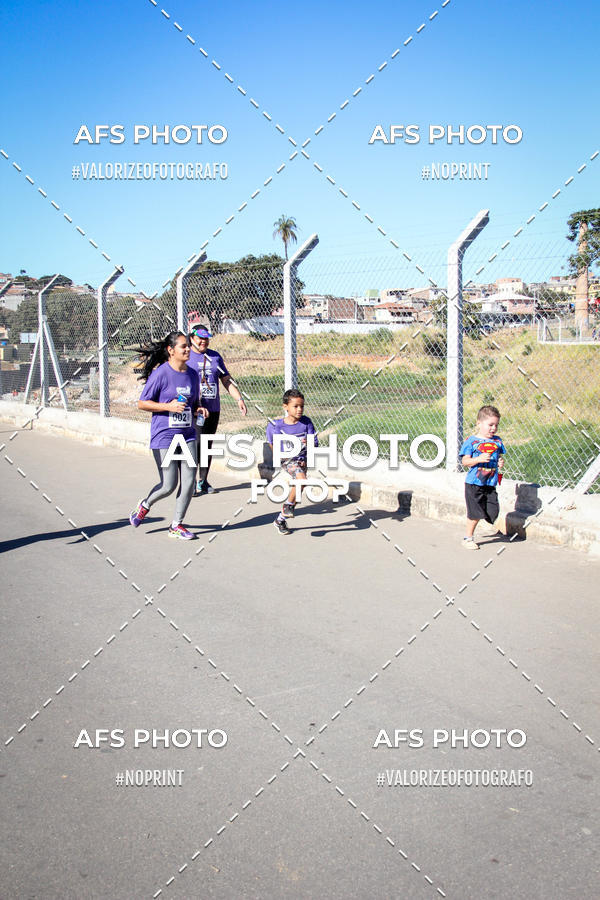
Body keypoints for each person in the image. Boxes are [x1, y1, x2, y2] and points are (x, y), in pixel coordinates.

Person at [129, 332, 208, 540]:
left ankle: (176, 525)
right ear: (171, 350)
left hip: (188, 434)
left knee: (189, 481)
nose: (188, 349)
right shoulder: (161, 374)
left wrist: (199, 409)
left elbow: (193, 402)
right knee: (168, 485)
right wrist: (168, 407)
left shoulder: (192, 374)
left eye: (188, 346)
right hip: (165, 436)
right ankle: (145, 505)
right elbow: (142, 403)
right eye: (183, 346)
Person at [188, 325, 247, 495]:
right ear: (192, 338)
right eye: (200, 338)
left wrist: (239, 398)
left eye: (206, 338)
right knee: (196, 444)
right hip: (194, 409)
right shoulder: (186, 356)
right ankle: (189, 480)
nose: (203, 341)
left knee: (207, 445)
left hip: (213, 408)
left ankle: (203, 481)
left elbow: (226, 380)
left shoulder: (215, 357)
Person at [266, 389, 317, 535]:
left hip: (302, 460)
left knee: (299, 488)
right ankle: (288, 506)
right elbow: (272, 443)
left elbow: (314, 442)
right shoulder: (277, 426)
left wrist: (309, 449)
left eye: (302, 406)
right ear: (285, 407)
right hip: (288, 460)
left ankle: (280, 520)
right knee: (301, 480)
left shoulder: (306, 422)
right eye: (295, 406)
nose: (299, 409)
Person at [459, 405, 506, 550]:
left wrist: (499, 462)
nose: (493, 428)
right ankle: (468, 538)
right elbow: (465, 461)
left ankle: (481, 520)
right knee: (475, 513)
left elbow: (498, 457)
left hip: (490, 482)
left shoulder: (497, 441)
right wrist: (478, 459)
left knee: (493, 512)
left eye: (496, 425)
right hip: (474, 483)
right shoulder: (471, 442)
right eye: (490, 425)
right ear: (479, 423)